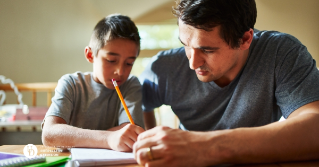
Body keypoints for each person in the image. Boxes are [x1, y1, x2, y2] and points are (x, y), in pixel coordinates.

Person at [133, 0, 319, 166]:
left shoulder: (281, 53)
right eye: (185, 45)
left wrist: (203, 147)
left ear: (245, 39)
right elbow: (126, 112)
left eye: (207, 50)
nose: (193, 63)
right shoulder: (163, 67)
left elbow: (315, 126)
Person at [42, 14, 145, 152]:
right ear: (90, 55)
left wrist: (73, 138)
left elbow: (130, 133)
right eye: (111, 60)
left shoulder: (130, 85)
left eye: (129, 63)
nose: (120, 71)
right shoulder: (71, 84)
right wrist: (108, 139)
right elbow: (50, 135)